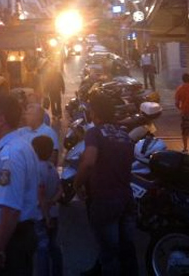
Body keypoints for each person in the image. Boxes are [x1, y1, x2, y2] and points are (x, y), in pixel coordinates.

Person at [74, 92, 138, 276]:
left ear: (95, 113)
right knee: (127, 250)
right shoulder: (124, 134)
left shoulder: (94, 133)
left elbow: (89, 162)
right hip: (126, 198)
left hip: (104, 200)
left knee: (109, 254)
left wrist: (77, 184)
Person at [0, 94, 40, 276]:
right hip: (15, 238)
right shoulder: (16, 146)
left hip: (11, 243)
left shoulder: (11, 155)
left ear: (2, 120)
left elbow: (11, 209)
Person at [31, 135, 64, 276]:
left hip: (41, 215)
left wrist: (46, 216)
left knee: (42, 247)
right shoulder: (52, 168)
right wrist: (52, 202)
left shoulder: (37, 170)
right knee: (53, 245)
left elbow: (41, 195)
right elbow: (60, 190)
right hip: (54, 213)